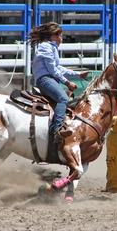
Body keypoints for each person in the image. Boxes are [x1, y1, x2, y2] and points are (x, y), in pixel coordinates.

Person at [30, 22, 88, 161]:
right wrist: (67, 82)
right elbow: (52, 70)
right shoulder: (45, 47)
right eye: (60, 35)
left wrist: (77, 75)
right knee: (63, 99)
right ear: (54, 36)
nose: (62, 38)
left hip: (50, 79)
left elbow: (58, 68)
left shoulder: (51, 48)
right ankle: (56, 130)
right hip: (45, 79)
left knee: (67, 100)